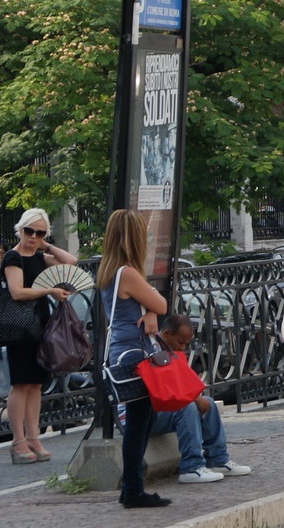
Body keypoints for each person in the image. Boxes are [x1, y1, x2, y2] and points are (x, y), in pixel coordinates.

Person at [98, 209, 171, 509]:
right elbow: (162, 302)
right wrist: (154, 308)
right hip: (136, 356)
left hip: (121, 350)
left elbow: (151, 306)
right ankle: (132, 489)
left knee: (143, 418)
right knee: (139, 422)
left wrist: (151, 310)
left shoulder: (107, 271)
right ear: (134, 238)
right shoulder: (128, 272)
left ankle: (131, 484)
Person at [0, 208, 76, 465]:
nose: (33, 236)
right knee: (21, 383)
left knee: (36, 384)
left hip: (39, 324)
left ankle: (33, 437)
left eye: (39, 232)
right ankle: (18, 440)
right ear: (20, 230)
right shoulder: (13, 257)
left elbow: (71, 262)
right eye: (29, 231)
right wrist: (49, 291)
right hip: (19, 327)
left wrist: (48, 246)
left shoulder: (40, 256)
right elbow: (17, 292)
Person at [147, 315, 250, 483]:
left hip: (160, 408)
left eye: (186, 344)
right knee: (186, 407)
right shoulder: (153, 351)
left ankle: (218, 459)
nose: (183, 347)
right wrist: (193, 400)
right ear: (165, 334)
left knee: (208, 403)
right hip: (143, 413)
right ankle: (191, 467)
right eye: (180, 342)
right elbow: (163, 388)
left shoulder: (169, 351)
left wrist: (194, 398)